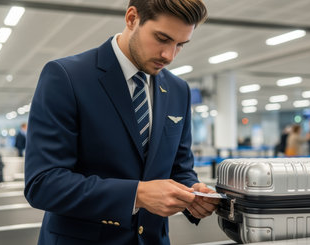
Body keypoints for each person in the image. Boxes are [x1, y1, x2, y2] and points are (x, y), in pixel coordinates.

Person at [24, 1, 218, 244]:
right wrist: (137, 194)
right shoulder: (67, 77)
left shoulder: (178, 89)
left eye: (180, 45)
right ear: (131, 18)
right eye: (162, 38)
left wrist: (192, 193)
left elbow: (179, 169)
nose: (169, 55)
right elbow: (43, 184)